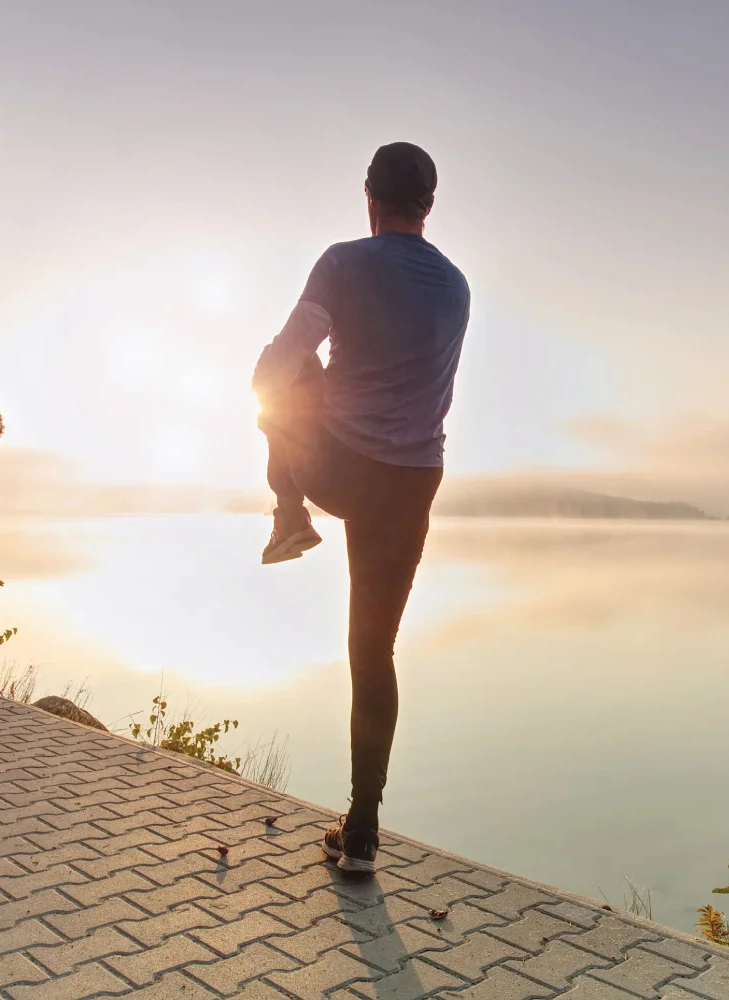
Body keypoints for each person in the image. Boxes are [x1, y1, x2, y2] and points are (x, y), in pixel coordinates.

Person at [251, 141, 470, 875]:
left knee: (275, 369)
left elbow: (285, 360)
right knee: (373, 651)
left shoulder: (344, 261)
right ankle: (364, 831)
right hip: (412, 482)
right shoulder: (458, 287)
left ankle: (288, 515)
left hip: (337, 469)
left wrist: (277, 394)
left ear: (369, 198)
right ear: (428, 208)